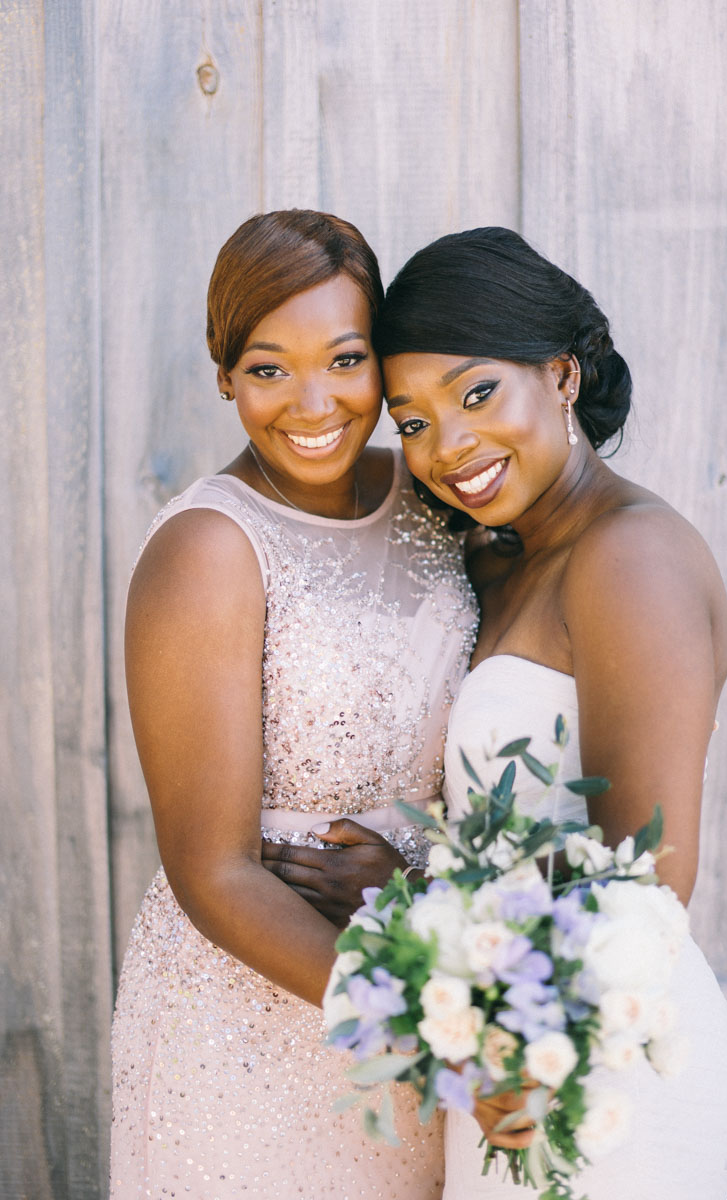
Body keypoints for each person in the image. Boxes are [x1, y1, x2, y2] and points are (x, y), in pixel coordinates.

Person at [280, 227, 727, 1198]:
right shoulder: (501, 559)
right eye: (409, 421)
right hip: (508, 1053)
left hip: (595, 1057)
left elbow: (643, 878)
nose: (447, 447)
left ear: (562, 374)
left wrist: (409, 916)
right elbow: (525, 832)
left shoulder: (631, 557)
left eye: (475, 393)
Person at [109, 209, 478, 1199]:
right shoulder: (206, 551)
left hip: (421, 966)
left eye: (345, 360)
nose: (312, 403)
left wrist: (424, 896)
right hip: (254, 1019)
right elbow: (212, 872)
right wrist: (436, 1026)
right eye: (268, 368)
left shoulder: (434, 499)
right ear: (225, 373)